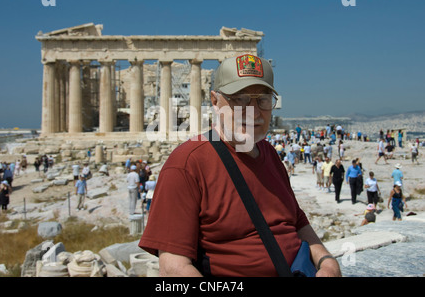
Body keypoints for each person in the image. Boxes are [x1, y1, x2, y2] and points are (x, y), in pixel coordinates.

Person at [139, 54, 341, 277]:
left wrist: (327, 262)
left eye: (263, 99)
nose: (253, 111)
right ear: (215, 102)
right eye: (240, 99)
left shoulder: (270, 153)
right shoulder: (186, 164)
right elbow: (173, 268)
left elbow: (297, 221)